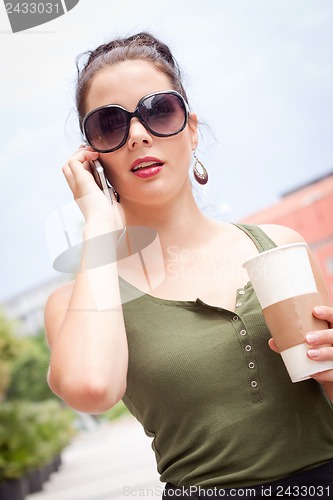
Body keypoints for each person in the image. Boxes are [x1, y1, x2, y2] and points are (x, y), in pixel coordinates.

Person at [45, 32, 333, 499]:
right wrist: (99, 224)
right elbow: (92, 389)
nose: (137, 134)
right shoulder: (78, 301)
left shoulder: (280, 246)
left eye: (159, 110)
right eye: (110, 124)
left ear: (191, 128)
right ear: (92, 158)